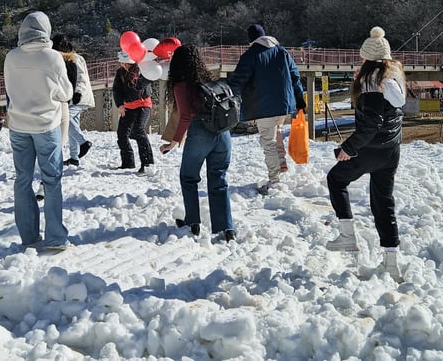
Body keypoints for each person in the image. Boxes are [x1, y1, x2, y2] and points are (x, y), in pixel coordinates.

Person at [324, 27, 406, 282]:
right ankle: (391, 264)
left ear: (367, 58)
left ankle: (348, 236)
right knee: (384, 202)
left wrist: (348, 148)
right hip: (391, 151)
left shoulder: (372, 82)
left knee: (336, 180)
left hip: (370, 150)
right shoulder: (394, 77)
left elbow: (372, 124)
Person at [3, 12, 74, 252]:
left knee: (22, 180)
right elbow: (66, 94)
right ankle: (55, 237)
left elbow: (9, 90)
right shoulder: (52, 58)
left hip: (18, 125)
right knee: (52, 180)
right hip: (46, 126)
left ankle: (29, 236)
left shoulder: (11, 57)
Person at [160, 45, 236, 241]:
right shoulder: (209, 80)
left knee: (188, 178)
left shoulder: (181, 85)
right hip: (223, 134)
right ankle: (227, 228)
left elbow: (185, 116)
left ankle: (192, 223)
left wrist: (173, 142)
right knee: (218, 179)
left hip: (200, 133)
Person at [227, 23, 307, 194]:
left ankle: (274, 180)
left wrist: (225, 93)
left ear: (250, 39)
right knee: (276, 132)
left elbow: (238, 79)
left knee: (268, 141)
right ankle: (282, 165)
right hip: (285, 104)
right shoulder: (282, 51)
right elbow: (295, 75)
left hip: (264, 105)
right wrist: (300, 99)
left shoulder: (251, 54)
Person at [52, 34, 94, 166]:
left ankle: (83, 143)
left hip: (80, 97)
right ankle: (74, 157)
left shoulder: (75, 59)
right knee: (73, 123)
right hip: (73, 98)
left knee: (66, 119)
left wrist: (78, 93)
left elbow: (81, 78)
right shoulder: (68, 58)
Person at [113, 50, 155, 174]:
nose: (122, 65)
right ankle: (128, 161)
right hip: (128, 106)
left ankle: (147, 163)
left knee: (138, 129)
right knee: (122, 134)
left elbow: (140, 87)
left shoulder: (141, 70)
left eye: (125, 63)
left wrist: (135, 80)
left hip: (143, 105)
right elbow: (117, 90)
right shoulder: (120, 73)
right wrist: (120, 105)